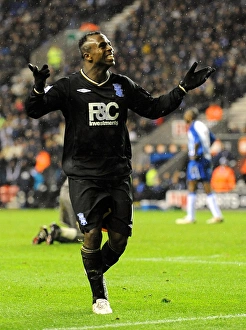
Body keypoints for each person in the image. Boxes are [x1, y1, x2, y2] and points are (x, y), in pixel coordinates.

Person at [25, 31, 215, 314]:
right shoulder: (68, 87)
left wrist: (182, 88)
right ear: (88, 54)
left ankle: (93, 270)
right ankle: (98, 296)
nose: (110, 47)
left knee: (119, 241)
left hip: (117, 175)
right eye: (103, 45)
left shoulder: (122, 85)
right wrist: (39, 87)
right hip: (84, 176)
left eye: (109, 43)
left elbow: (154, 108)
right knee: (90, 234)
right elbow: (34, 110)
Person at [175, 108, 223, 225]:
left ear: (191, 116)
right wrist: (206, 150)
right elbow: (212, 139)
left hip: (197, 160)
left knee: (192, 184)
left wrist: (195, 154)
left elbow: (196, 141)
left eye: (186, 114)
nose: (185, 116)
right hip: (206, 158)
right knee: (206, 185)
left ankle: (190, 217)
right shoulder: (203, 125)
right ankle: (217, 215)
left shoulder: (193, 126)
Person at [32, 178, 84, 244]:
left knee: (76, 231)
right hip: (75, 194)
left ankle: (49, 234)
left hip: (66, 191)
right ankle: (58, 232)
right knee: (87, 235)